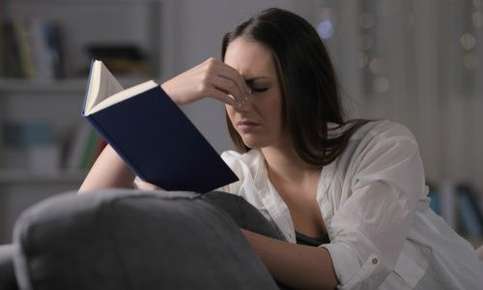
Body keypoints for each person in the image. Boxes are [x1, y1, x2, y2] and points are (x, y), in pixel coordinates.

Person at [79, 7, 483, 290]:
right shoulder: (234, 178)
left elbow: (342, 271)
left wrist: (212, 230)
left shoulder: (382, 146)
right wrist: (165, 97)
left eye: (256, 88)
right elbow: (84, 214)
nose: (240, 104)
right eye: (227, 88)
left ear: (302, 87)